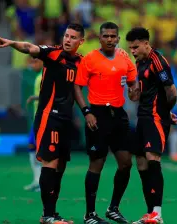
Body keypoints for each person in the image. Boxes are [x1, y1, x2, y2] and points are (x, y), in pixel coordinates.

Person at [0, 23, 85, 224]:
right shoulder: (53, 54)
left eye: (73, 37)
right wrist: (12, 43)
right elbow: (30, 48)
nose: (68, 40)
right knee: (50, 163)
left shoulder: (81, 62)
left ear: (81, 41)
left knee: (60, 166)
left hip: (66, 119)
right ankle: (48, 214)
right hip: (49, 117)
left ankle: (52, 213)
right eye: (66, 36)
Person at [74, 22, 138, 224]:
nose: (110, 39)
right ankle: (90, 214)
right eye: (106, 36)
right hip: (97, 115)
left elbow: (132, 81)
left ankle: (113, 208)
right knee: (97, 164)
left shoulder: (125, 58)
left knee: (126, 163)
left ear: (118, 39)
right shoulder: (90, 59)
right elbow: (77, 87)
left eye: (113, 36)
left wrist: (134, 89)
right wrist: (87, 112)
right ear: (99, 38)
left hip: (119, 115)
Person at [126, 27, 177, 224]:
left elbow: (171, 91)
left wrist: (165, 112)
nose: (133, 51)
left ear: (146, 43)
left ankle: (158, 213)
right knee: (141, 163)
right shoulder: (139, 63)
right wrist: (132, 92)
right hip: (143, 117)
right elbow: (138, 95)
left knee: (152, 158)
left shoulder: (158, 61)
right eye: (131, 48)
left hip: (155, 118)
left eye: (136, 47)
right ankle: (149, 213)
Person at [24, 57, 43, 192]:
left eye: (35, 61)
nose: (32, 64)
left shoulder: (46, 76)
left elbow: (51, 95)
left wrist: (34, 97)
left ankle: (43, 183)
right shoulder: (38, 76)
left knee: (41, 150)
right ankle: (37, 180)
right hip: (38, 117)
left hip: (45, 117)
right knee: (32, 146)